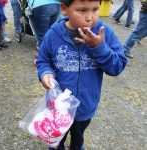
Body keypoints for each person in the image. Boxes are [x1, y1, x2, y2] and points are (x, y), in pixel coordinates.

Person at [36, 0, 127, 149]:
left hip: (86, 106)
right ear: (64, 9)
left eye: (95, 9)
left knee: (78, 138)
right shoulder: (53, 34)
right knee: (55, 138)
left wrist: (99, 47)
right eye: (82, 10)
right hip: (59, 106)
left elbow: (117, 67)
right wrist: (45, 73)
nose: (90, 17)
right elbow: (43, 60)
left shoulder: (104, 33)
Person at [26, 0, 61, 64]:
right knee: (52, 33)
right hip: (56, 4)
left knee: (41, 35)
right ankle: (53, 57)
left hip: (39, 5)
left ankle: (43, 60)